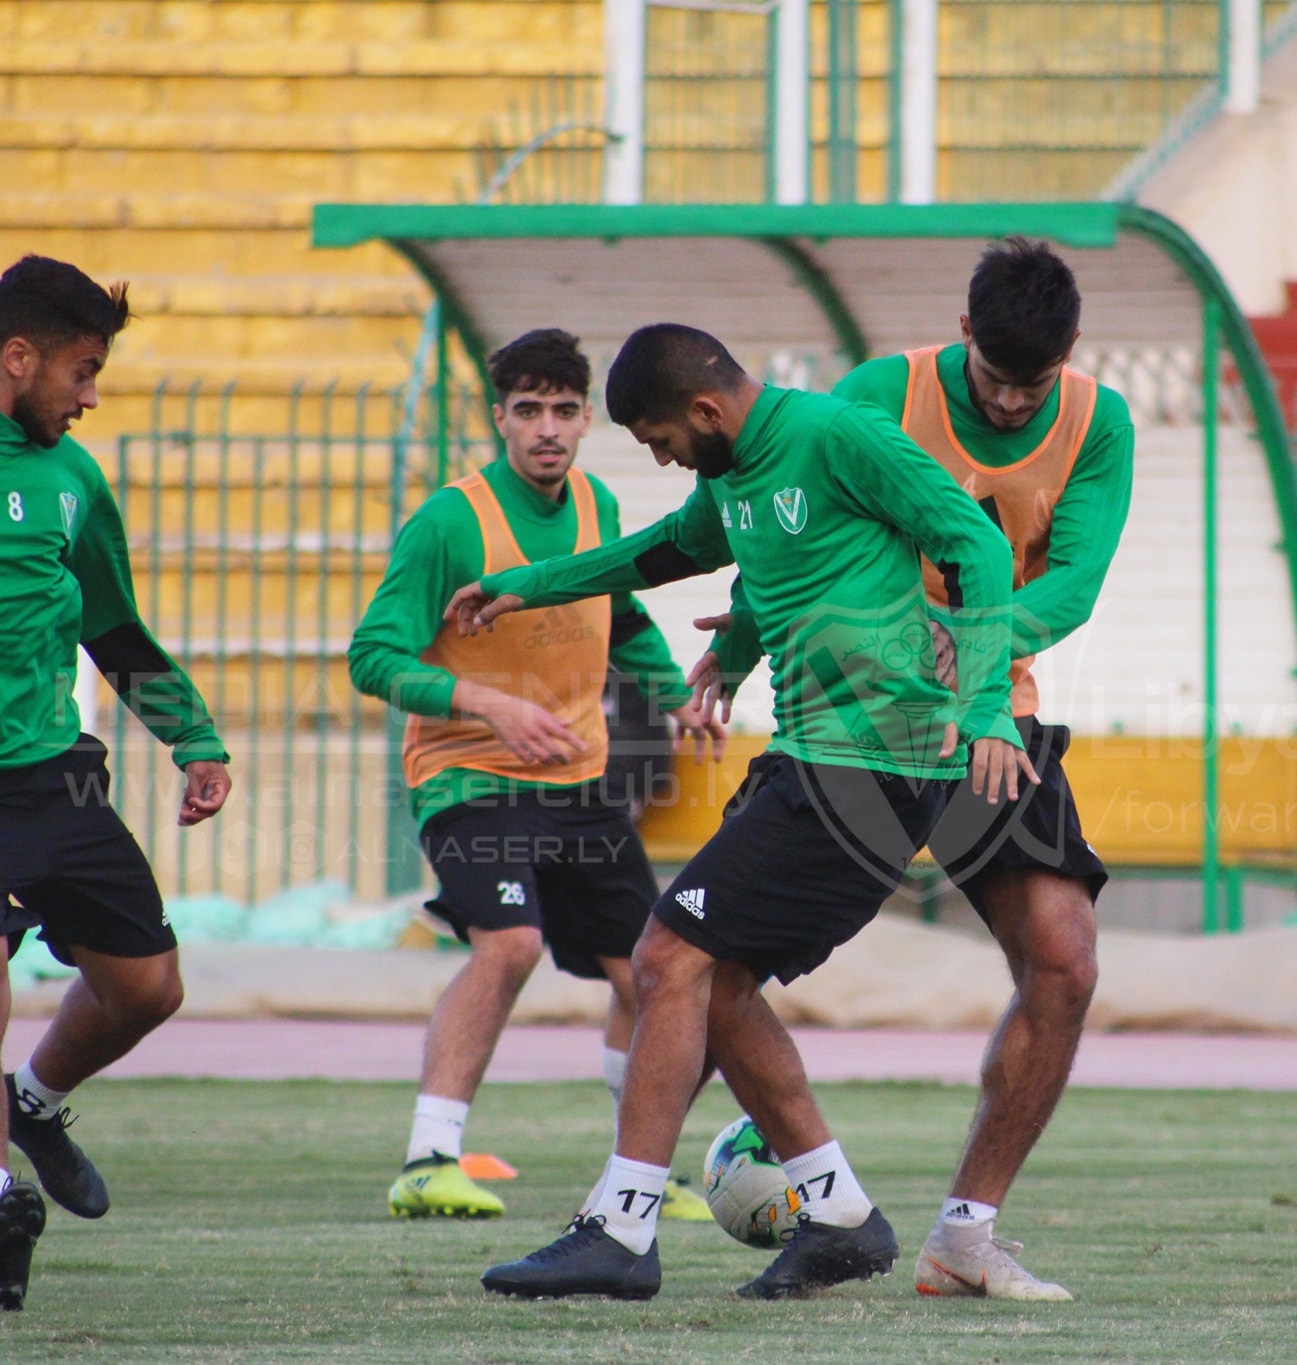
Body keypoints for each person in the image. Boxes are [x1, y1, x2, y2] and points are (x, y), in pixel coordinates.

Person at [453, 323, 1030, 1301]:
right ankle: (839, 1213)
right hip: (807, 759)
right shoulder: (733, 477)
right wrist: (531, 588)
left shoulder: (839, 437)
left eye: (661, 440)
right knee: (712, 988)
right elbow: (683, 552)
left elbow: (971, 539)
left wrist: (981, 705)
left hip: (870, 764)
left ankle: (621, 1225)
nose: (662, 457)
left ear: (707, 412)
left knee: (665, 958)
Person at [689, 237, 1131, 1300]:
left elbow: (1073, 577)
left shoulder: (1096, 420)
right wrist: (738, 648)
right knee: (706, 963)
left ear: (1068, 356)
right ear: (962, 332)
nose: (1017, 403)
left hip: (987, 721)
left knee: (1064, 963)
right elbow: (791, 523)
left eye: (1037, 383)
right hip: (853, 726)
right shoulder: (882, 392)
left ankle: (964, 1236)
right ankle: (796, 1185)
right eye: (996, 379)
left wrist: (979, 629)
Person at [0, 255, 232, 1310]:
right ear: (20, 356)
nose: (90, 397)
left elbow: (110, 626)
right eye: (83, 372)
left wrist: (196, 740)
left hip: (55, 778)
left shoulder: (73, 481)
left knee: (148, 988)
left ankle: (33, 1103)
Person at [347, 328, 722, 1220]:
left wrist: (674, 695)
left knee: (655, 971)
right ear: (499, 419)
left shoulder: (594, 503)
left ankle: (641, 1169)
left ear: (587, 418)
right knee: (509, 944)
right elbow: (372, 656)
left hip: (581, 783)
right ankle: (428, 1156)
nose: (546, 428)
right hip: (469, 777)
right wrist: (491, 703)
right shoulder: (450, 520)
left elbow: (620, 614)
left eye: (562, 409)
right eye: (528, 410)